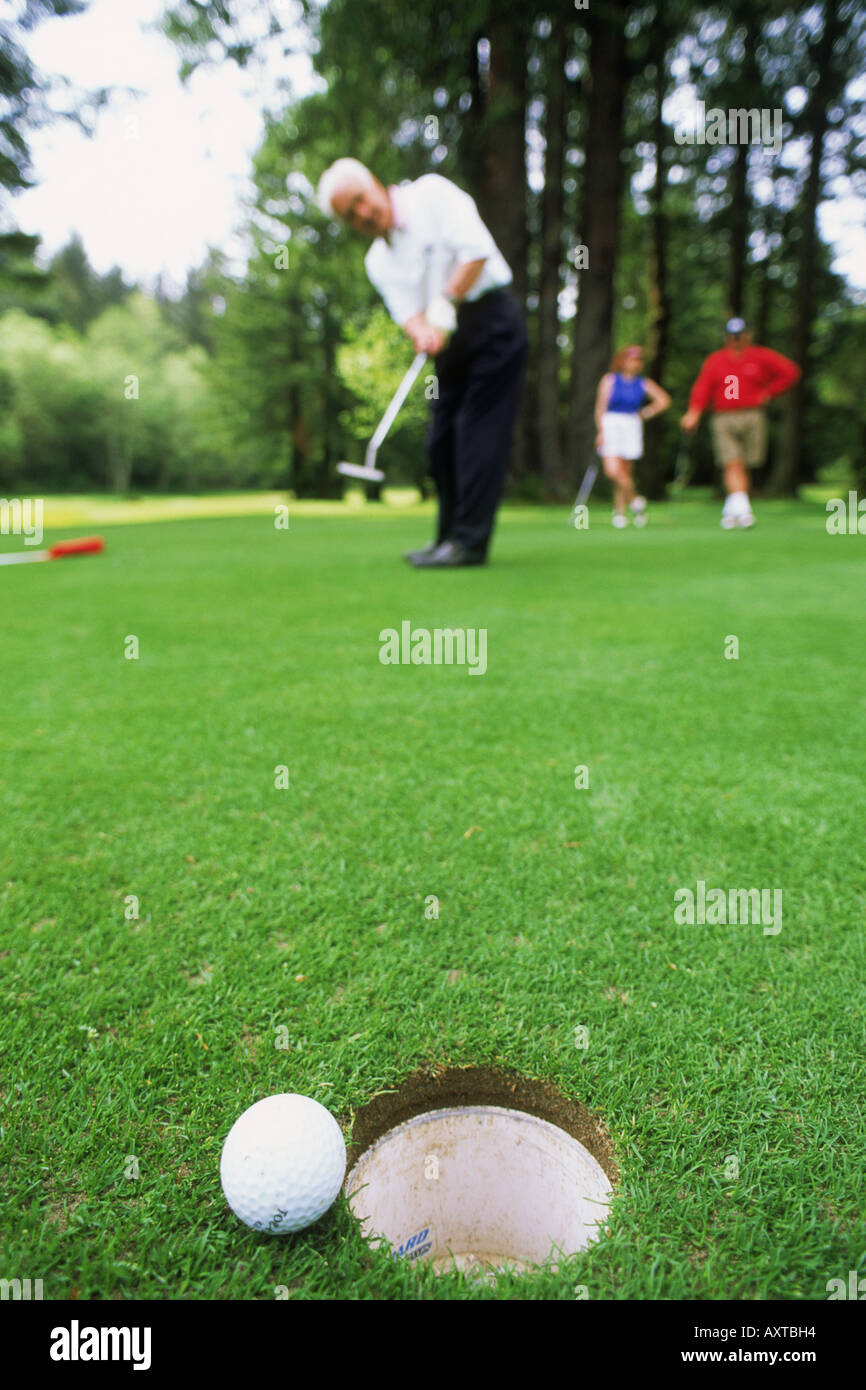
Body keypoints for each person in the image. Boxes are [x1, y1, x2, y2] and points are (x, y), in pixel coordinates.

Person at [315, 158, 528, 567]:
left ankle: (469, 543)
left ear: (375, 184)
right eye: (350, 215)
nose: (362, 214)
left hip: (491, 321)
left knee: (475, 432)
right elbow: (407, 313)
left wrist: (446, 303)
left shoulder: (430, 194)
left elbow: (476, 252)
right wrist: (423, 330)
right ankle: (448, 537)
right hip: (446, 340)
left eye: (360, 200)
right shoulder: (377, 261)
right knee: (440, 440)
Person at [681, 317, 800, 529]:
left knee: (744, 464)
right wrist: (694, 412)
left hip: (752, 415)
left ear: (748, 335)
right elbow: (702, 388)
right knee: (732, 462)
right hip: (723, 417)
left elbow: (790, 372)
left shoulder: (761, 356)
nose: (736, 340)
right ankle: (744, 511)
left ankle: (731, 510)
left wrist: (769, 393)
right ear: (726, 337)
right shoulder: (716, 360)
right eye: (732, 336)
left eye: (740, 335)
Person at [594, 346, 671, 527]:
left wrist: (646, 413)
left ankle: (619, 513)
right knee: (613, 470)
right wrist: (600, 431)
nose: (635, 363)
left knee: (625, 471)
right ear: (623, 361)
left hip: (631, 424)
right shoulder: (610, 380)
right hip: (611, 423)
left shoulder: (642, 383)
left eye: (638, 360)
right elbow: (600, 407)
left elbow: (664, 400)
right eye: (631, 359)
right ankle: (636, 501)